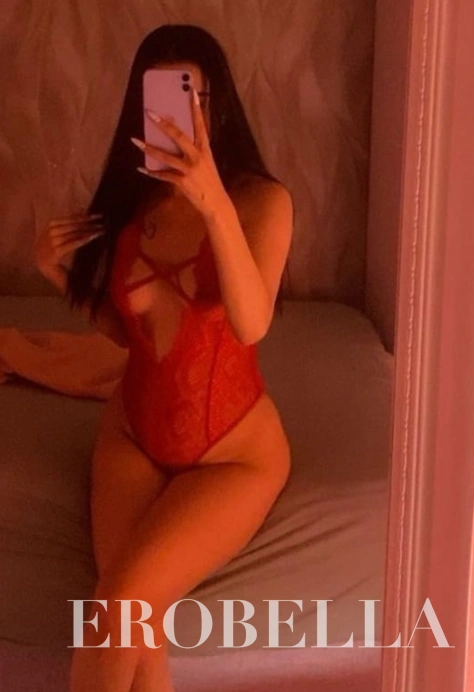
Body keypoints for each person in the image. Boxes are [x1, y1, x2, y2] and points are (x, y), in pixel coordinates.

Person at [34, 23, 294, 692]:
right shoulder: (133, 203)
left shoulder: (263, 202)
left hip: (233, 454)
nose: (179, 116)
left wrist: (212, 205)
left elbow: (252, 323)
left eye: (193, 98)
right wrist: (58, 274)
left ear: (218, 106)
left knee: (121, 607)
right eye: (161, 99)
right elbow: (130, 335)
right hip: (131, 435)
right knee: (127, 614)